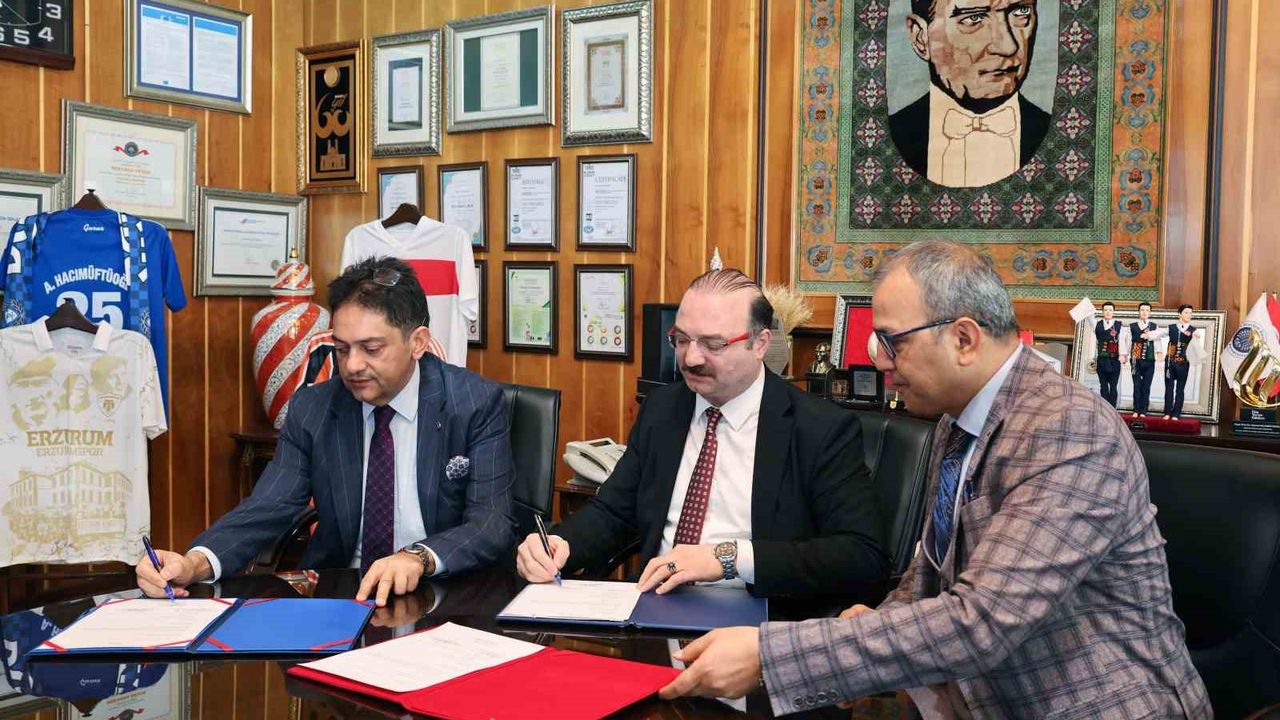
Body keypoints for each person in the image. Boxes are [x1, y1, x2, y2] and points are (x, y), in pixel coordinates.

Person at [658, 241, 1209, 719]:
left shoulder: (1067, 428)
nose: (880, 363)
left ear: (964, 339)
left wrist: (770, 654)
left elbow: (981, 621)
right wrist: (872, 628)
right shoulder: (956, 422)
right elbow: (929, 575)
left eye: (892, 343)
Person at [136, 257, 516, 606]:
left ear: (417, 342)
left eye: (371, 349)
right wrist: (194, 563)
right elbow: (269, 505)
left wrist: (418, 558)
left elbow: (491, 522)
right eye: (342, 349)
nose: (352, 366)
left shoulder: (473, 403)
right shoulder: (314, 407)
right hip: (340, 591)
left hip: (444, 593)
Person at [516, 269, 888, 601]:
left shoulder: (818, 428)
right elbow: (614, 511)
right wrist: (561, 544)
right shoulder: (663, 409)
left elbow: (861, 555)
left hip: (757, 619)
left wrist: (729, 558)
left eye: (713, 344)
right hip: (655, 606)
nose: (691, 359)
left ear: (760, 343)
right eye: (682, 340)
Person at [888, 0, 1050, 187]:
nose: (1008, 46)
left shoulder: (1055, 135)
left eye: (1021, 12)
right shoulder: (892, 136)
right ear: (921, 38)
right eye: (973, 18)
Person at [1157, 304, 1204, 420]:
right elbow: (1158, 333)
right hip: (1170, 362)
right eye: (1186, 312)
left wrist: (1196, 336)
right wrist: (1148, 335)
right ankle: (1167, 412)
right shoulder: (1171, 327)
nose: (1189, 315)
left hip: (1183, 363)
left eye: (1190, 313)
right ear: (1179, 314)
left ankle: (1176, 413)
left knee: (1180, 389)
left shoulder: (1193, 330)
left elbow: (1197, 342)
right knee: (1169, 388)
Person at [1121, 301, 1158, 416]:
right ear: (1139, 311)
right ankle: (1136, 409)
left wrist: (1159, 353)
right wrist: (1125, 355)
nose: (1144, 312)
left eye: (1147, 310)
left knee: (1146, 386)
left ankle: (1144, 410)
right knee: (1137, 385)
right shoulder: (1132, 326)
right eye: (1142, 310)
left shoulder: (1154, 326)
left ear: (1150, 312)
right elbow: (1128, 342)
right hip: (1135, 360)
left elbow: (1157, 341)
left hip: (1149, 359)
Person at [1094, 301, 1122, 407]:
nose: (1108, 312)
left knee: (1113, 386)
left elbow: (1122, 342)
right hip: (1101, 360)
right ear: (1102, 312)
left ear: (1113, 312)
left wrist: (1123, 355)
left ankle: (1113, 409)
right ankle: (1104, 408)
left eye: (1110, 310)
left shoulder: (1118, 325)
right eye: (1105, 310)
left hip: (1114, 360)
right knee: (1103, 386)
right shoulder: (1097, 324)